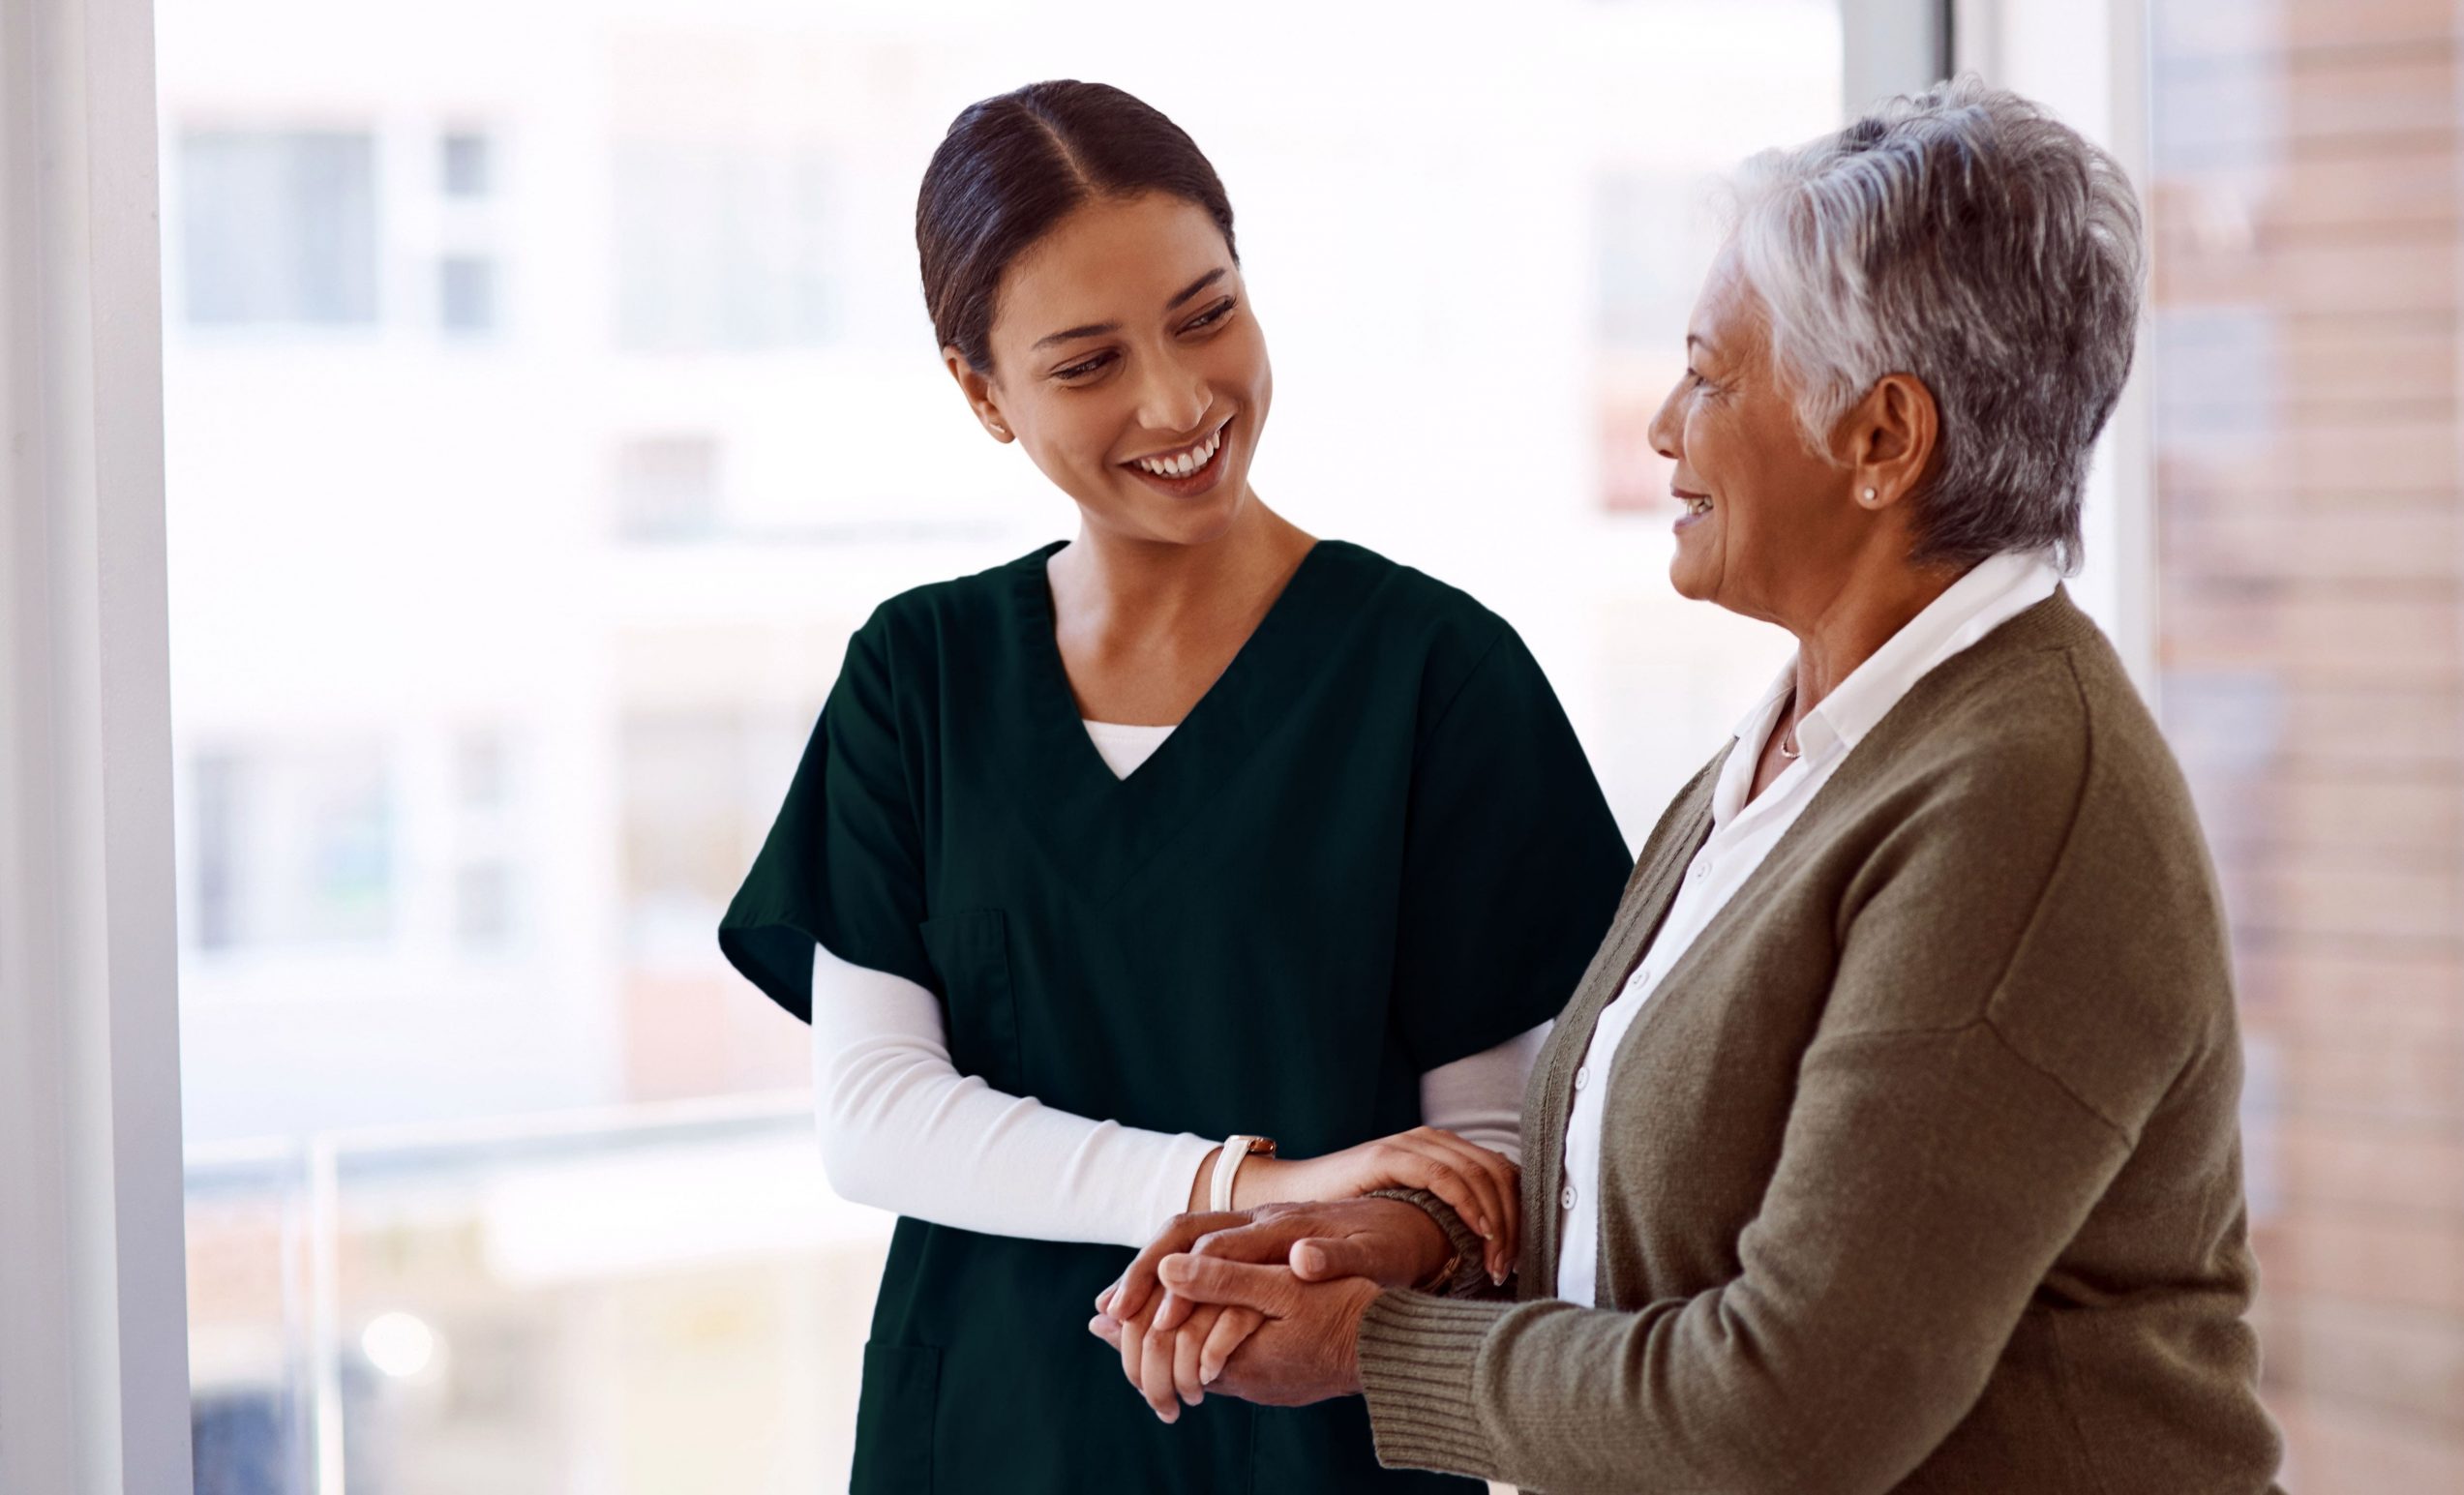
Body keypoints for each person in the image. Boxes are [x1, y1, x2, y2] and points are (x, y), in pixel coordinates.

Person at [1096, 77, 2287, 1494]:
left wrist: (1379, 1344)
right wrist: (1420, 1236)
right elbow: (1692, 1203)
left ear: (1883, 440)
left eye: (1712, 375)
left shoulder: (2019, 797)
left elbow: (1792, 1408)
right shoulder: (1813, 739)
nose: (1664, 425)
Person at [716, 79, 1631, 1495]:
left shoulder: (1440, 676)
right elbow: (879, 1115)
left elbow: (1482, 1158)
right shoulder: (921, 677)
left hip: (1323, 1441)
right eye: (1085, 364)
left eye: (1207, 314)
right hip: (984, 1436)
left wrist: (1339, 1228)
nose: (1177, 398)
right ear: (982, 393)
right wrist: (1244, 1184)